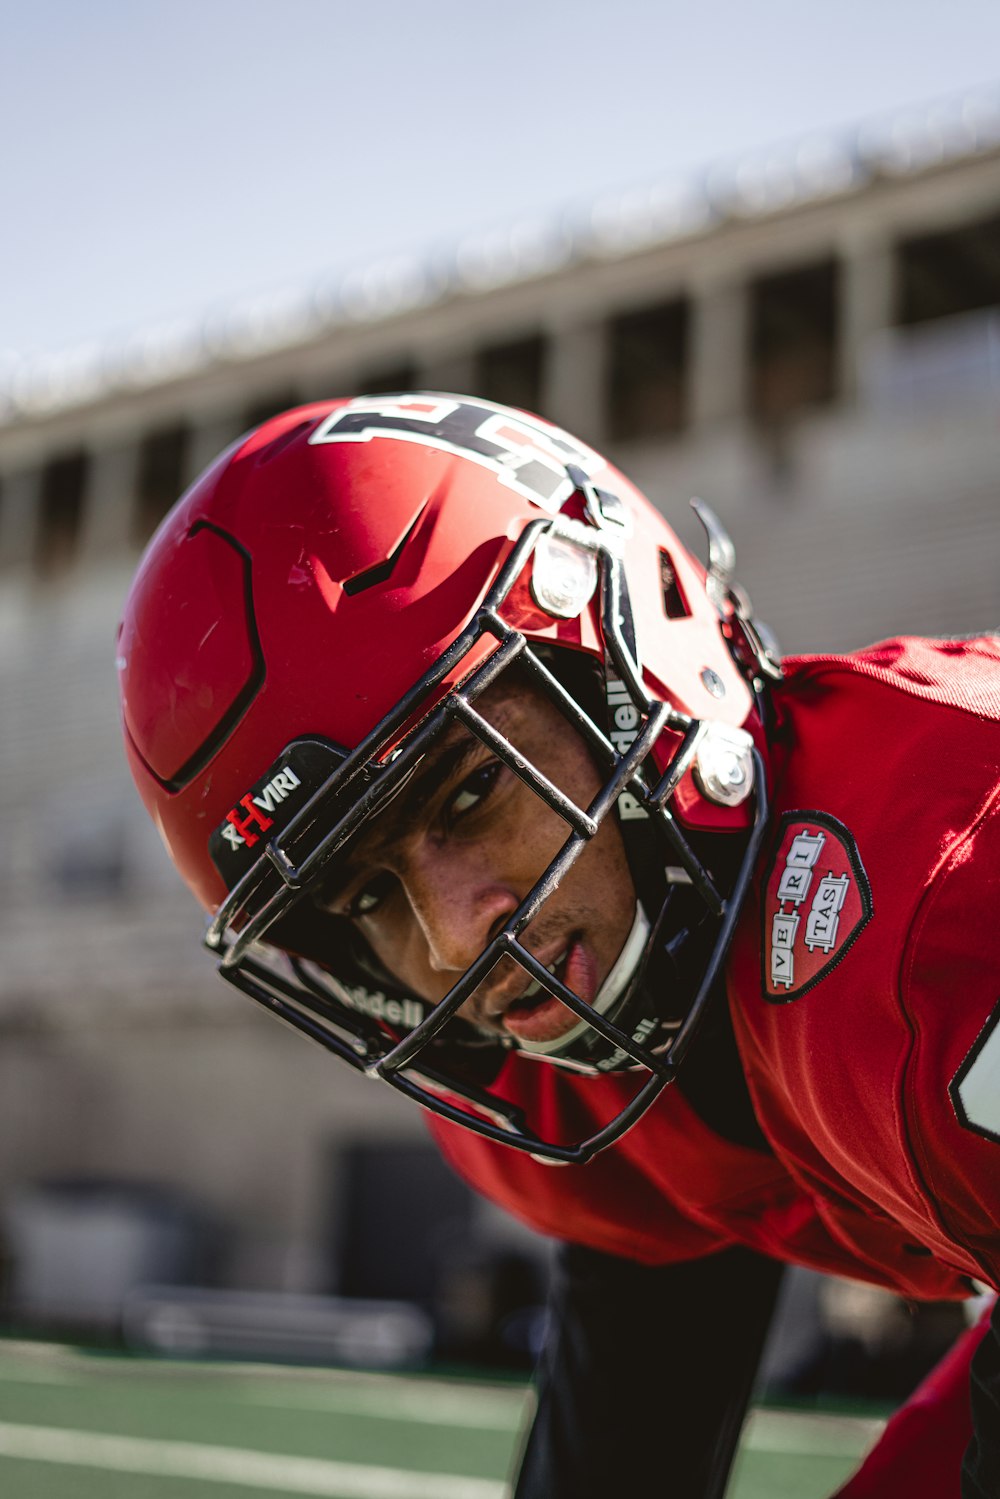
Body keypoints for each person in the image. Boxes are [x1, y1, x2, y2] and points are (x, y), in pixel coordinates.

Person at [117, 392, 1000, 1498]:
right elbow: (633, 1403)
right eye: (364, 899)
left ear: (628, 669)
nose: (450, 939)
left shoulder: (940, 887)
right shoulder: (552, 1090)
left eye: (475, 789)